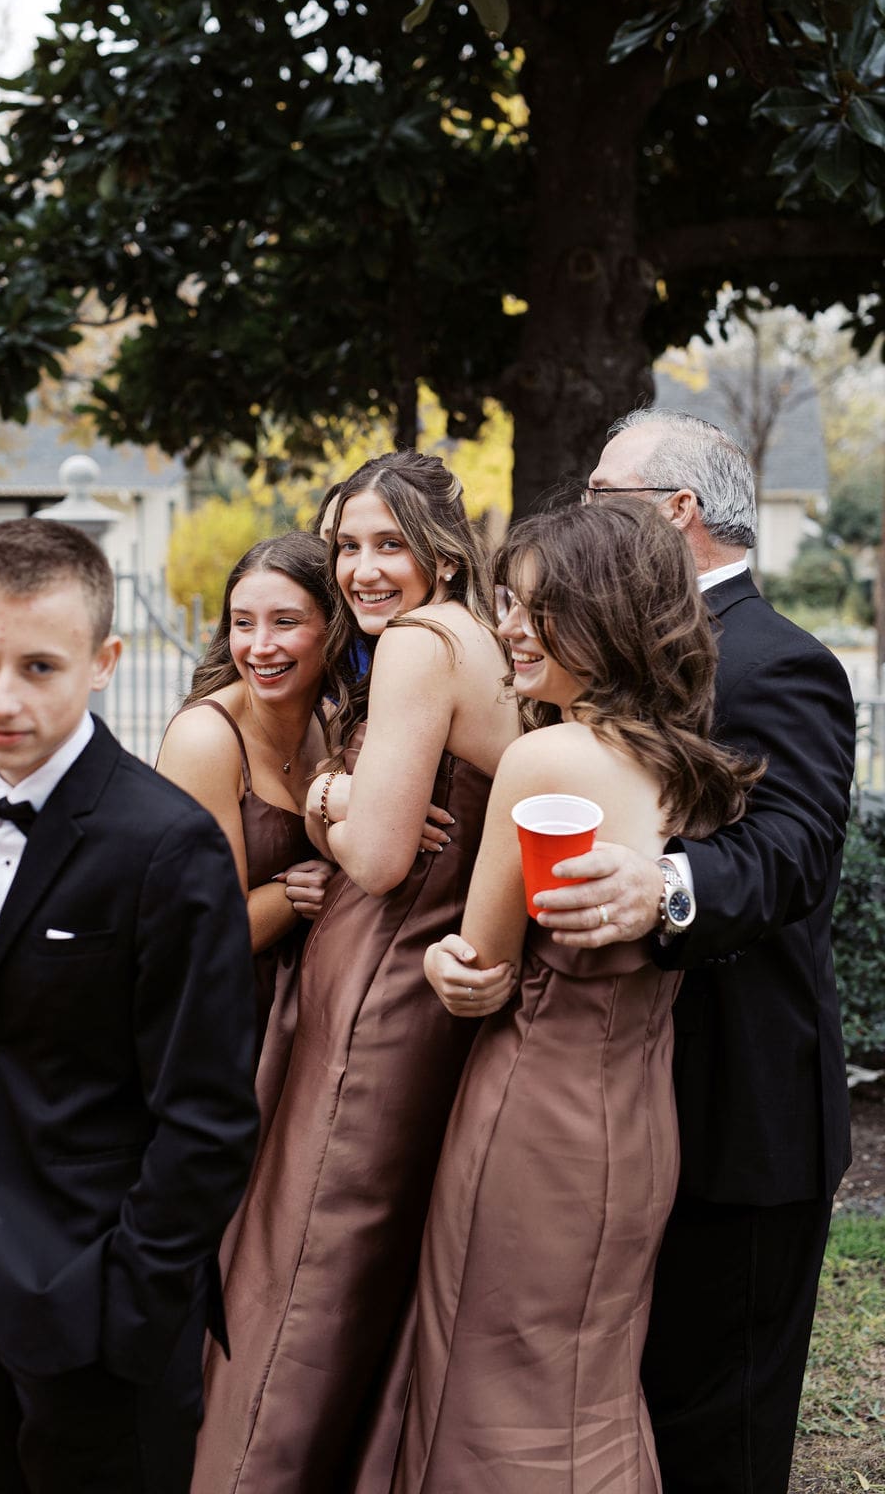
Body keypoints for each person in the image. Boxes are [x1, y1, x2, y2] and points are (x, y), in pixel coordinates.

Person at [429, 409, 857, 1494]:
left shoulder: (778, 659)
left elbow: (796, 854)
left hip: (737, 1113)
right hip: (609, 1105)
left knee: (719, 1424)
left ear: (675, 513)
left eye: (599, 497)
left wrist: (660, 887)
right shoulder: (594, 672)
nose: (580, 514)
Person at [0, 518, 259, 1494]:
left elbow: (211, 1116)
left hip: (106, 1303)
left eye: (40, 667)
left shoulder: (168, 847)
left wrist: (130, 1301)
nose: (1, 698)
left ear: (104, 663)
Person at [403, 499, 760, 1492]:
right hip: (638, 1117)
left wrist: (443, 965)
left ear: (605, 618)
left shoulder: (545, 760)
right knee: (588, 1387)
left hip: (531, 1115)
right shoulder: (687, 767)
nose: (512, 629)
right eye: (508, 606)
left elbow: (480, 969)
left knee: (497, 1391)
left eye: (539, 611)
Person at [192, 448, 521, 1494]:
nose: (362, 569)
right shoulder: (477, 640)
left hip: (375, 1003)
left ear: (444, 553)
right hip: (397, 1000)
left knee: (298, 1277)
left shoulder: (424, 645)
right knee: (345, 1279)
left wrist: (329, 801)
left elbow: (377, 858)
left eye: (389, 544)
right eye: (346, 545)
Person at [156, 532, 338, 1058]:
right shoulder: (206, 738)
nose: (259, 646)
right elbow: (208, 935)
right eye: (242, 623)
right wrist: (294, 894)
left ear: (332, 625)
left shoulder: (332, 723)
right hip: (221, 1027)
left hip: (305, 1013)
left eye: (285, 622)